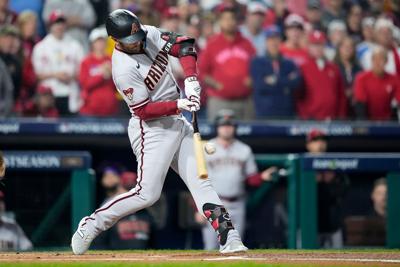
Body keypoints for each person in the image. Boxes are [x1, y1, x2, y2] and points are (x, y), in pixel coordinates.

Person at [71, 9, 247, 255]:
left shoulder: (148, 33)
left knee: (201, 180)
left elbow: (184, 45)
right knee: (147, 194)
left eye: (138, 35)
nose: (138, 42)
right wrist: (178, 104)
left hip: (177, 120)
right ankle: (92, 224)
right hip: (151, 129)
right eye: (131, 41)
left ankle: (230, 237)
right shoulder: (122, 68)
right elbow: (143, 110)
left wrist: (191, 80)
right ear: (116, 41)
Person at [195, 110, 278, 250]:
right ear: (217, 127)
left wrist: (261, 177)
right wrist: (198, 207)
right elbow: (197, 180)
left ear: (234, 128)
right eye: (223, 125)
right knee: (211, 248)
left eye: (229, 125)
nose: (226, 128)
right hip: (214, 204)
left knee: (235, 247)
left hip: (237, 204)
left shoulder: (244, 149)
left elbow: (250, 179)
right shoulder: (206, 147)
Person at [199, 4, 256, 121]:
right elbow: (201, 72)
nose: (229, 22)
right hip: (220, 101)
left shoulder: (247, 44)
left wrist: (252, 79)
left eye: (232, 18)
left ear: (237, 21)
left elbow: (257, 67)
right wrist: (216, 85)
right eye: (225, 19)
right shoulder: (212, 44)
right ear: (220, 22)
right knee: (217, 138)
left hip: (245, 101)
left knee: (248, 137)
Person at [32, 10, 84, 115]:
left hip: (70, 94)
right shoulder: (41, 47)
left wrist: (71, 76)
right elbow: (35, 75)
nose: (59, 26)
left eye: (61, 22)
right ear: (50, 25)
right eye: (56, 23)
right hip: (48, 95)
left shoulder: (75, 45)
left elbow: (83, 72)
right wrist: (56, 75)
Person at [92, 167, 155, 250]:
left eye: (133, 190)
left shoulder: (146, 213)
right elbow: (100, 241)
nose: (130, 194)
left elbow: (154, 240)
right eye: (127, 189)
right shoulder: (110, 209)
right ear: (120, 187)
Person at [306, 129, 348, 248]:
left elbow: (343, 190)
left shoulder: (335, 165)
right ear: (308, 145)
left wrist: (327, 182)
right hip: (309, 227)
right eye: (315, 140)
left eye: (323, 140)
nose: (320, 144)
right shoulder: (302, 165)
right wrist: (315, 182)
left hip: (332, 225)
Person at [250, 26, 301, 118]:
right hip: (265, 112)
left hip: (286, 112)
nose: (273, 42)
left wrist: (274, 80)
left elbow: (296, 83)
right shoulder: (257, 62)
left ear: (280, 40)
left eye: (276, 38)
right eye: (270, 39)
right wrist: (285, 81)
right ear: (266, 41)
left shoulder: (289, 63)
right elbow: (260, 85)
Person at [297, 30, 347, 120]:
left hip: (332, 120)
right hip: (310, 121)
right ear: (309, 46)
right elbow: (298, 96)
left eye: (320, 44)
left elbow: (341, 95)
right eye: (314, 44)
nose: (318, 48)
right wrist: (304, 116)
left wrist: (340, 116)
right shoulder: (302, 68)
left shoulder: (334, 68)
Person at [79, 27, 118, 117]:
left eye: (102, 41)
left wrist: (110, 75)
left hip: (110, 110)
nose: (100, 44)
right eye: (98, 41)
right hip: (90, 111)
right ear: (92, 43)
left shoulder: (112, 60)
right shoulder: (86, 62)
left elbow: (118, 86)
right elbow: (85, 84)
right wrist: (102, 75)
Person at [354, 46, 400, 121]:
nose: (378, 62)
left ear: (386, 61)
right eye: (375, 59)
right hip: (368, 120)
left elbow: (398, 100)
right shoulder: (361, 78)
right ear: (371, 60)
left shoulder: (394, 79)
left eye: (381, 59)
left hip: (388, 121)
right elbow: (360, 104)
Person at [334, 36, 362, 116]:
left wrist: (354, 91)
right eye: (345, 46)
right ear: (339, 48)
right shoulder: (333, 68)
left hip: (356, 109)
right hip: (338, 108)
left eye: (350, 47)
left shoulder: (359, 69)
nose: (348, 49)